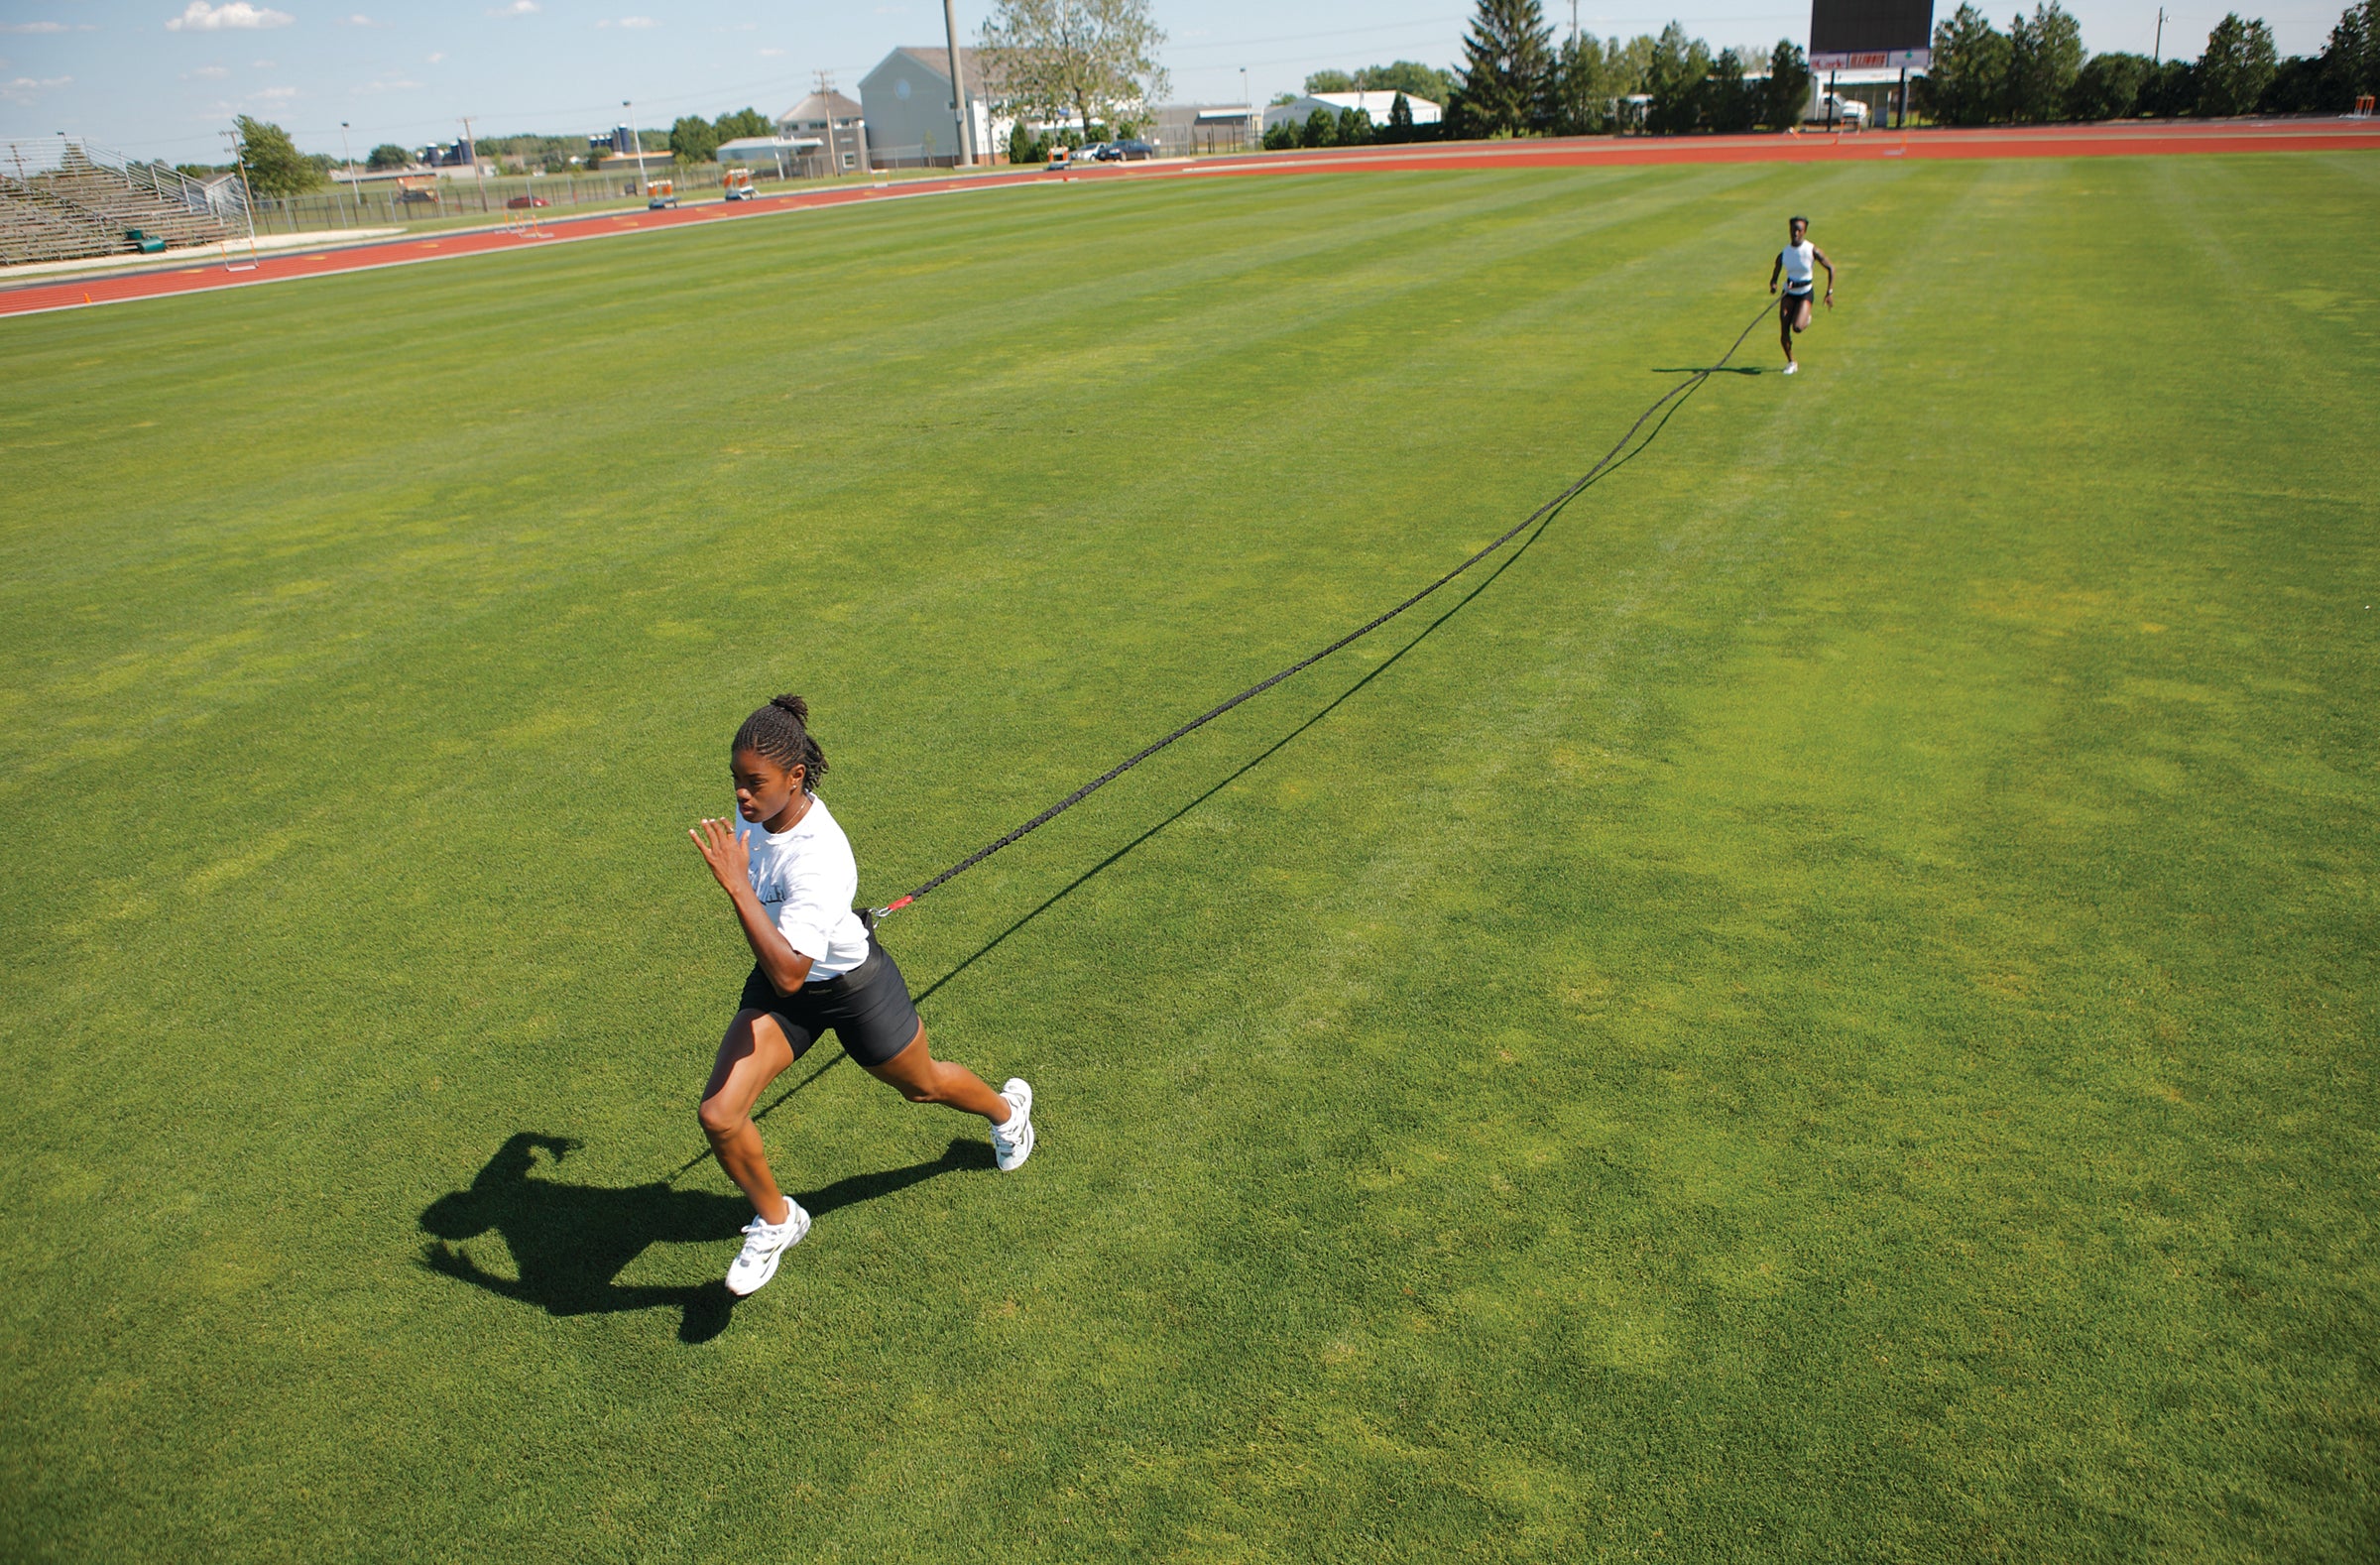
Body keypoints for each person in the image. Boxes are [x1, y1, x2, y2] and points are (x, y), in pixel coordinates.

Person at [687, 694, 1034, 1297]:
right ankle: (778, 1220)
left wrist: (739, 889)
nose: (741, 797)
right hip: (781, 986)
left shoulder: (819, 856)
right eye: (736, 781)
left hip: (848, 986)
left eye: (754, 783)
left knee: (921, 1085)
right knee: (719, 1113)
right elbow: (785, 981)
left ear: (796, 779)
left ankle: (1008, 1115)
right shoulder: (757, 811)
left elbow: (795, 970)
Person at [1767, 215, 1835, 375]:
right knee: (1784, 328)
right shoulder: (1785, 253)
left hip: (1805, 293)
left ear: (1804, 231)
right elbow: (1776, 270)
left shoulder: (1811, 250)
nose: (1796, 233)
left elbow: (1831, 268)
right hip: (1789, 293)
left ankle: (1806, 319)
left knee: (1797, 327)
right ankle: (1791, 362)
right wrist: (1774, 284)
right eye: (1793, 230)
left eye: (1799, 230)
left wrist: (1829, 292)